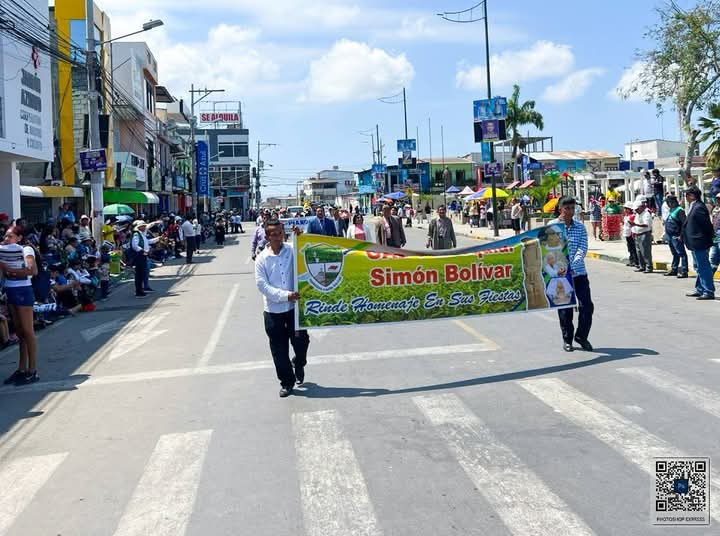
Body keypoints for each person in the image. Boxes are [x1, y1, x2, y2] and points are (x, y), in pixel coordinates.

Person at [255, 219, 310, 398]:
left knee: (301, 342)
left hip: (294, 309)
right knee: (279, 349)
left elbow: (306, 251)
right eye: (274, 234)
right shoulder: (262, 259)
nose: (278, 237)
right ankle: (287, 382)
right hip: (273, 311)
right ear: (267, 236)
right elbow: (262, 285)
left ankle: (299, 362)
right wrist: (285, 296)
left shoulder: (292, 250)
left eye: (280, 233)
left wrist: (300, 236)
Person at [550, 197, 594, 353]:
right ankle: (567, 339)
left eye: (572, 208)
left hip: (579, 273)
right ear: (560, 208)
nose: (570, 211)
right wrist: (561, 267)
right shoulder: (552, 226)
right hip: (560, 275)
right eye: (566, 208)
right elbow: (549, 249)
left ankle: (581, 336)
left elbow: (582, 248)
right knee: (565, 308)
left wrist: (573, 265)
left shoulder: (580, 227)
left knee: (587, 306)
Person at [0, 226, 39, 385]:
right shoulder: (3, 250)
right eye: (5, 236)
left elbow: (32, 270)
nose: (6, 239)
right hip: (10, 290)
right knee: (20, 332)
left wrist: (9, 269)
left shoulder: (26, 249)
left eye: (10, 236)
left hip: (23, 290)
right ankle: (22, 369)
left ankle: (32, 370)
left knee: (28, 331)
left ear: (19, 237)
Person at [681, 186, 715, 300]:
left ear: (692, 196)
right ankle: (700, 289)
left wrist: (708, 241)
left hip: (700, 242)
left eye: (686, 195)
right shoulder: (693, 206)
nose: (685, 198)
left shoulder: (699, 207)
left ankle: (708, 291)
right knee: (699, 267)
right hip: (694, 242)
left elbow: (707, 225)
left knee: (704, 267)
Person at [662, 195, 688, 278]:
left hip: (676, 236)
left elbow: (684, 224)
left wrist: (681, 235)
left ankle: (684, 271)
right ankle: (674, 269)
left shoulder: (680, 210)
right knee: (674, 253)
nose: (668, 204)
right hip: (670, 235)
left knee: (681, 253)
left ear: (673, 202)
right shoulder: (671, 210)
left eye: (669, 202)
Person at [130, 221, 151, 297]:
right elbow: (134, 245)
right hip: (139, 255)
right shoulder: (136, 234)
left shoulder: (141, 234)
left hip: (143, 255)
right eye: (143, 226)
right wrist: (142, 250)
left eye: (144, 226)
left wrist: (157, 239)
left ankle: (141, 290)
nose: (144, 227)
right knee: (139, 274)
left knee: (142, 274)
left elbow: (147, 242)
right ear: (139, 227)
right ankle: (139, 291)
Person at [632, 199, 654, 273]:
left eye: (637, 209)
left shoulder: (646, 214)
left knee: (645, 251)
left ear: (641, 207)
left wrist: (635, 224)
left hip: (644, 233)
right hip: (637, 233)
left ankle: (649, 266)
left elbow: (646, 224)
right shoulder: (637, 214)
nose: (636, 211)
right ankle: (642, 266)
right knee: (639, 251)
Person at [622, 202, 639, 268]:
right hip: (627, 234)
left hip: (631, 234)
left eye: (627, 209)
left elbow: (632, 225)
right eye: (625, 208)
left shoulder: (632, 216)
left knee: (633, 248)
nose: (625, 210)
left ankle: (635, 261)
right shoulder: (626, 216)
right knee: (630, 248)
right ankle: (631, 260)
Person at [711, 193, 720, 276]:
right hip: (715, 236)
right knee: (714, 257)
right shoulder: (715, 210)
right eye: (717, 199)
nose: (718, 200)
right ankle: (710, 275)